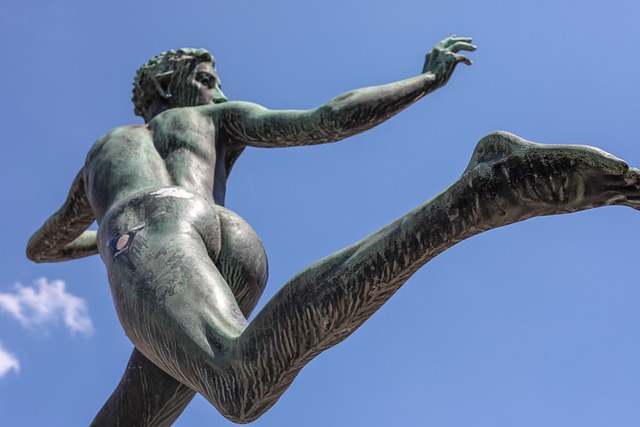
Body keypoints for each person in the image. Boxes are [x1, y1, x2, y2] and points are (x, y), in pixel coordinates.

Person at [27, 37, 640, 425]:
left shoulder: (103, 156)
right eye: (209, 78)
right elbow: (327, 119)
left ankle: (476, 196)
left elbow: (42, 247)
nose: (220, 90)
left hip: (149, 234)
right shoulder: (216, 120)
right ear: (166, 85)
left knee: (239, 381)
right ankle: (478, 192)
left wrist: (112, 237)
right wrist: (425, 81)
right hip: (224, 242)